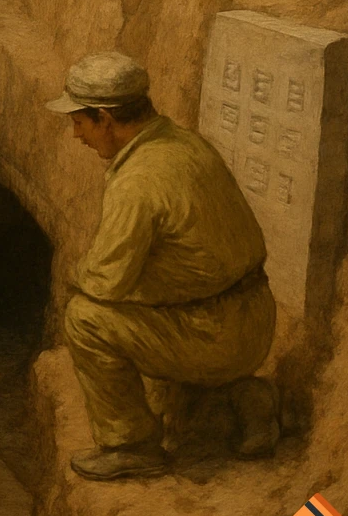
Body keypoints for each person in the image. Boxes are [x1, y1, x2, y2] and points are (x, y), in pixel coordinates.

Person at [48, 52, 278, 481]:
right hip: (254, 319)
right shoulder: (184, 143)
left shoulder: (138, 180)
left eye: (79, 121)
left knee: (84, 317)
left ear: (105, 118)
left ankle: (130, 445)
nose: (76, 135)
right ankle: (246, 398)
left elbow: (105, 282)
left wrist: (75, 273)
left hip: (213, 335)